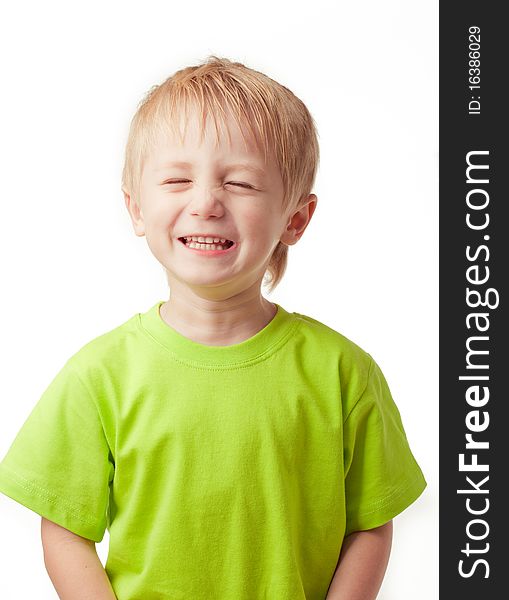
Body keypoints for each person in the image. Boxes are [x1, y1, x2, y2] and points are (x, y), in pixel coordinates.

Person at [0, 55, 427, 600]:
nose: (205, 203)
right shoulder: (98, 375)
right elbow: (64, 528)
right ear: (135, 208)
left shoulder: (344, 372)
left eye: (242, 183)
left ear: (295, 218)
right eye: (177, 179)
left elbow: (371, 521)